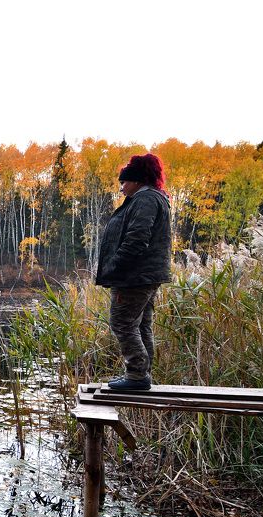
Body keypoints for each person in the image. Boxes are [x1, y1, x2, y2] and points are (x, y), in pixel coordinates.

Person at [95, 153, 172, 391]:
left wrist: (115, 265)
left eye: (124, 182)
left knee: (122, 322)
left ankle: (137, 375)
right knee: (140, 325)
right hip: (145, 275)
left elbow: (137, 238)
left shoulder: (145, 199)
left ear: (137, 180)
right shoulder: (151, 198)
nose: (121, 187)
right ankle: (142, 374)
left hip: (134, 276)